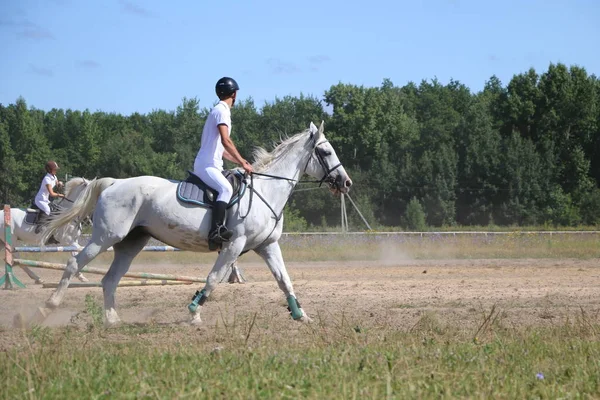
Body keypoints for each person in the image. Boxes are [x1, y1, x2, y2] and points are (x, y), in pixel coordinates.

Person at [193, 77, 253, 250]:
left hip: (212, 163)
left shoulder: (219, 110)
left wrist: (241, 163)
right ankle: (216, 230)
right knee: (225, 188)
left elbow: (223, 150)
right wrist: (243, 161)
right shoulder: (222, 111)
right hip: (206, 165)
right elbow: (226, 141)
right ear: (234, 94)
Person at [34, 161, 65, 230]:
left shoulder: (54, 177)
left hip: (46, 200)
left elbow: (57, 184)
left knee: (54, 210)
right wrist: (60, 195)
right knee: (47, 210)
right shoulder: (47, 179)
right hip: (40, 199)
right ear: (49, 170)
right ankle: (39, 226)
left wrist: (60, 184)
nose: (56, 170)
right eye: (55, 169)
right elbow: (51, 193)